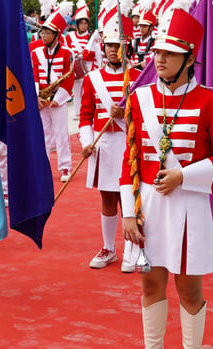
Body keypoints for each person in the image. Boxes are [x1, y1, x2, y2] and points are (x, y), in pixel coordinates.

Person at [120, 7, 213, 348]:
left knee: (188, 289)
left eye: (170, 54)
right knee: (150, 285)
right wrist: (128, 212)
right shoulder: (139, 99)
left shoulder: (212, 101)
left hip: (189, 207)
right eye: (158, 52)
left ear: (189, 59)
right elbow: (130, 158)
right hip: (148, 209)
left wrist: (183, 176)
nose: (160, 59)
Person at [79, 18, 139, 272]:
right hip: (103, 145)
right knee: (107, 197)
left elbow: (147, 113)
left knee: (128, 199)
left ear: (127, 47)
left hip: (130, 145)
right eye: (109, 45)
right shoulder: (93, 79)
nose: (113, 50)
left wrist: (124, 111)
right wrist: (87, 141)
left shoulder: (137, 77)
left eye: (118, 45)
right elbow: (85, 115)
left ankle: (131, 248)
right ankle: (108, 248)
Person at [31, 1, 75, 182]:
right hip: (41, 98)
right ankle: (43, 167)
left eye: (47, 32)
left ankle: (65, 167)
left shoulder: (67, 52)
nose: (43, 35)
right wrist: (36, 97)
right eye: (42, 31)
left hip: (58, 99)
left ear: (56, 34)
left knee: (61, 133)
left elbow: (69, 77)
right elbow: (33, 75)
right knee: (43, 134)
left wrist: (58, 98)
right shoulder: (35, 52)